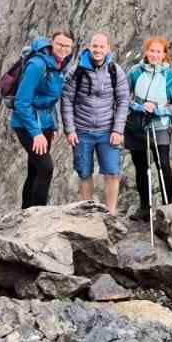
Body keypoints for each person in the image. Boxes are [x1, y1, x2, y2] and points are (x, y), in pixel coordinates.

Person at [59, 31, 130, 214]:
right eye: (94, 46)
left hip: (108, 131)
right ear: (89, 47)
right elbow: (66, 100)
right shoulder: (77, 71)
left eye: (101, 46)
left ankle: (111, 213)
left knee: (112, 173)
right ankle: (88, 214)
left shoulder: (115, 71)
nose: (97, 50)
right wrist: (70, 130)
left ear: (108, 49)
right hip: (82, 131)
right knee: (84, 173)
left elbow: (123, 101)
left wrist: (118, 130)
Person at [9, 31, 75, 209]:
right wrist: (36, 133)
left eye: (67, 46)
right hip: (26, 124)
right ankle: (38, 216)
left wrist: (53, 124)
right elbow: (21, 103)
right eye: (59, 44)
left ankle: (26, 213)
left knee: (35, 169)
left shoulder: (61, 65)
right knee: (46, 168)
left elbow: (51, 99)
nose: (63, 49)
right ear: (51, 43)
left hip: (45, 123)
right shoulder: (38, 65)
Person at [125, 36, 172, 221]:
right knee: (141, 167)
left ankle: (167, 207)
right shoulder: (135, 72)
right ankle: (144, 206)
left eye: (159, 51)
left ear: (164, 55)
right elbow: (124, 97)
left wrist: (158, 110)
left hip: (159, 126)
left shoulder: (170, 77)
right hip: (137, 126)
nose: (154, 55)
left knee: (163, 165)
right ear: (146, 52)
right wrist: (140, 107)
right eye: (151, 51)